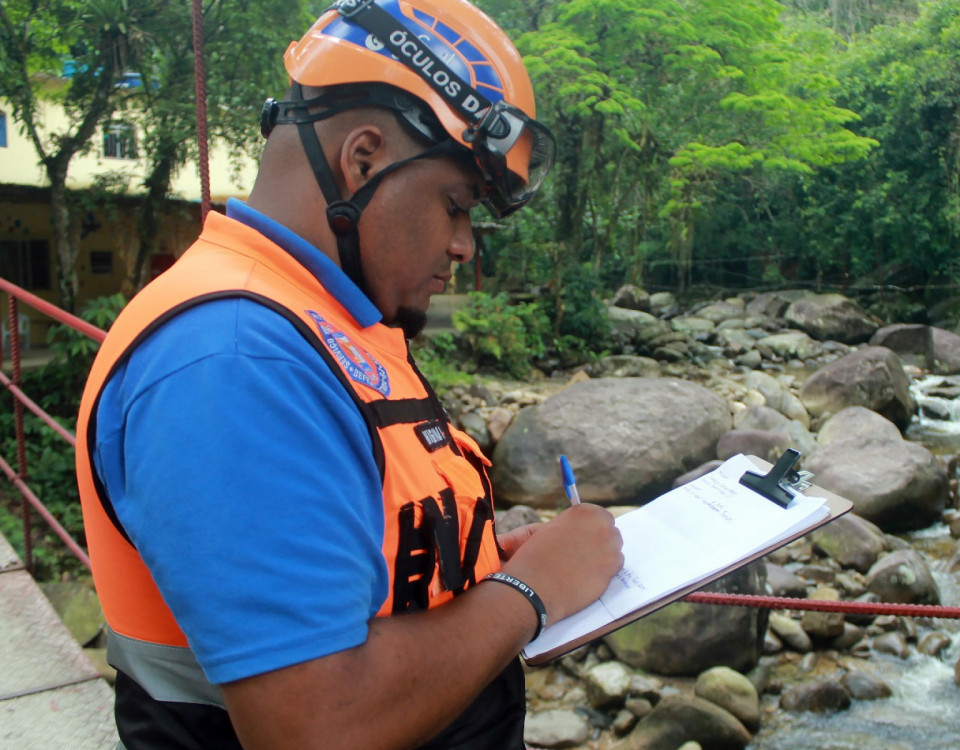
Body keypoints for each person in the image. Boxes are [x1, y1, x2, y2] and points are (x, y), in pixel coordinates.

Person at [73, 1, 624, 748]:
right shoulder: (234, 359)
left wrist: (474, 563)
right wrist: (531, 593)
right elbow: (316, 725)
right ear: (362, 159)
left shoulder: (322, 321)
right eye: (455, 205)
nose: (465, 246)